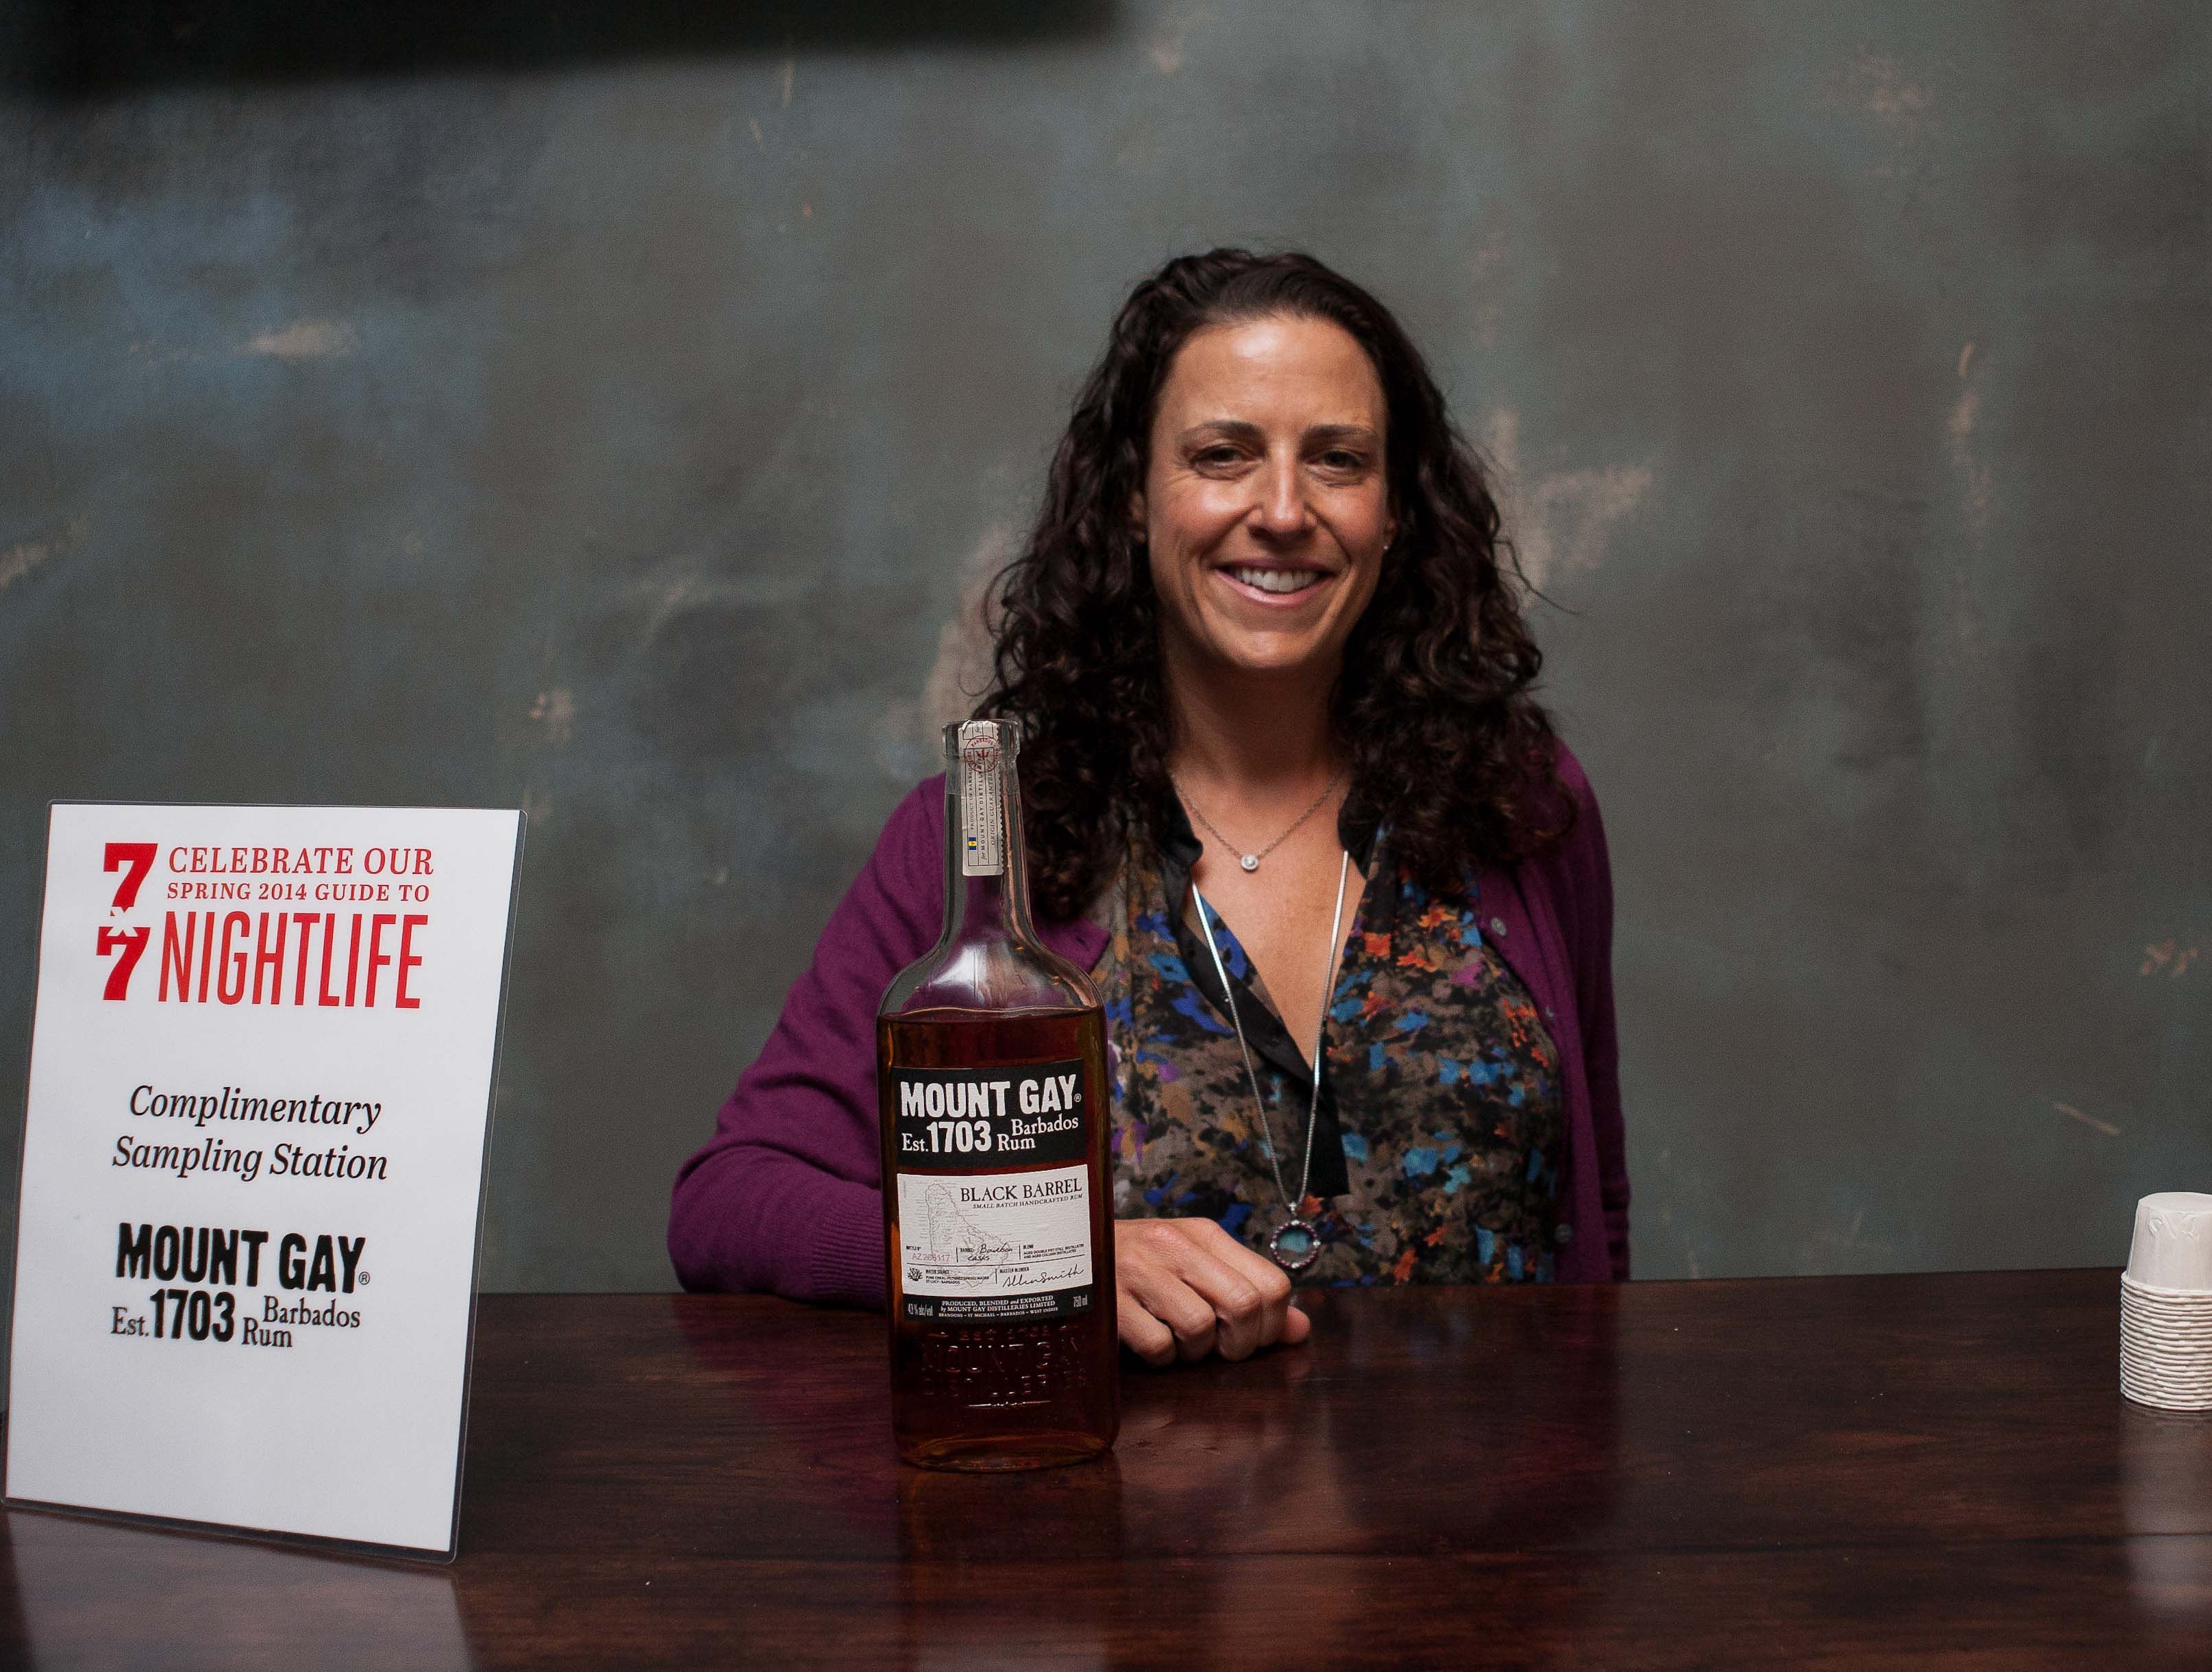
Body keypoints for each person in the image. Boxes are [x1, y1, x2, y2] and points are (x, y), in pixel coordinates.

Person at [669, 248, 1626, 1365]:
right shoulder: (988, 841)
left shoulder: (1520, 807)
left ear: (1396, 509)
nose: (1283, 510)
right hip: (1125, 1482)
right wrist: (1049, 1255)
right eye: (1222, 455)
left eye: (1338, 460)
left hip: (1494, 1484)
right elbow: (729, 1202)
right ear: (1131, 495)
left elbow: (1595, 1215)